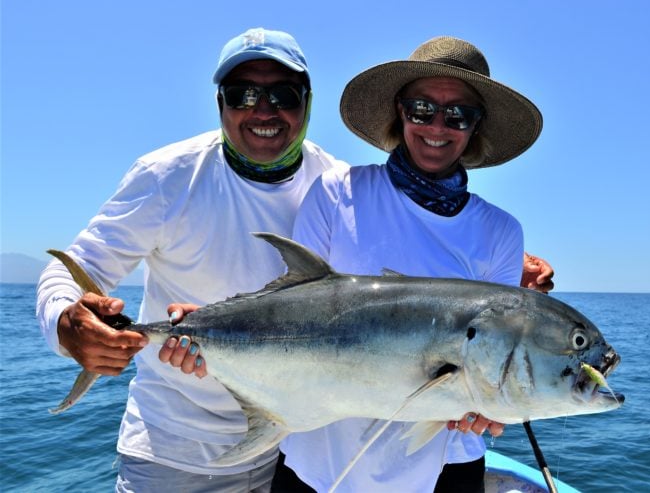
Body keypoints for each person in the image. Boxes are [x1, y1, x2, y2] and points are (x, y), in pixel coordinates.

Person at [35, 27, 348, 492]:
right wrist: (66, 322)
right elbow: (76, 266)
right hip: (171, 453)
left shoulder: (338, 187)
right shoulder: (167, 176)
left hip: (292, 451)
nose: (263, 110)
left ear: (307, 102)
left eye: (282, 94)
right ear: (220, 102)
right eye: (242, 94)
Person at [272, 36, 548, 493]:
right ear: (400, 112)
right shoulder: (337, 193)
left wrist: (494, 406)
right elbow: (291, 308)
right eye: (422, 109)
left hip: (447, 461)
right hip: (323, 451)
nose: (437, 126)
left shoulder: (500, 232)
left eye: (458, 114)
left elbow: (491, 356)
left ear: (475, 127)